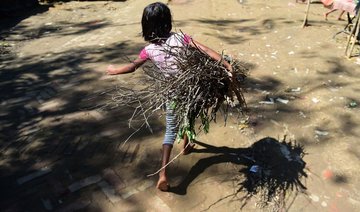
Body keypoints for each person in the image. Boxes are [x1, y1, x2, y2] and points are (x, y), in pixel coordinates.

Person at [106, 2, 233, 191]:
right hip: (191, 91)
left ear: (146, 25)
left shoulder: (148, 50)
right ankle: (186, 144)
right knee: (191, 113)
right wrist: (227, 65)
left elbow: (132, 67)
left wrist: (113, 70)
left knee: (170, 131)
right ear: (168, 21)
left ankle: (163, 173)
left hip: (172, 94)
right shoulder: (181, 38)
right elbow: (205, 50)